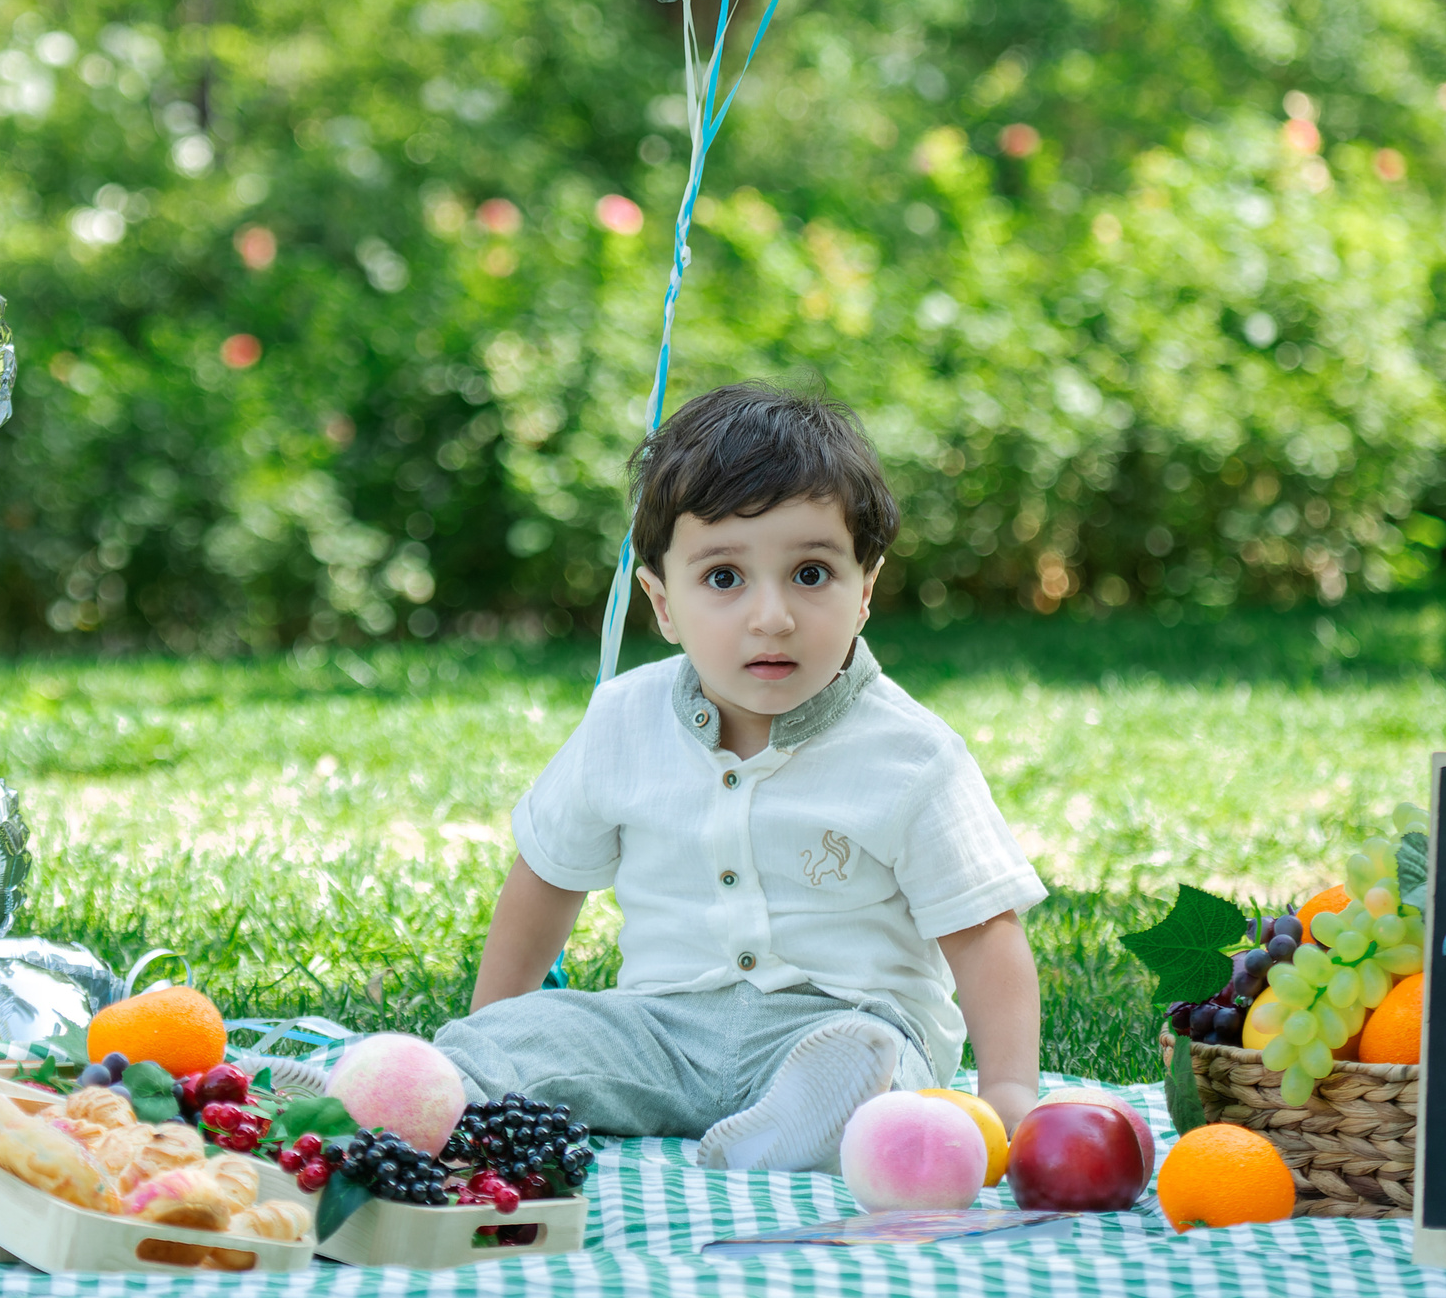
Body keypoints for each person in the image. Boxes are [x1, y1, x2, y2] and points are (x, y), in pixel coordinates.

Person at [432, 383, 1043, 1173]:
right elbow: (546, 880)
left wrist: (1008, 1092)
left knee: (881, 1072)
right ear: (662, 603)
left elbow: (985, 934)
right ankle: (419, 1094)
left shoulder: (911, 756)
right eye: (724, 578)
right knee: (524, 1039)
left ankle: (808, 1123)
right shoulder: (622, 722)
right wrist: (496, 1030)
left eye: (811, 574)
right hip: (658, 1031)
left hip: (840, 1024)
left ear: (864, 591)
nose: (772, 617)